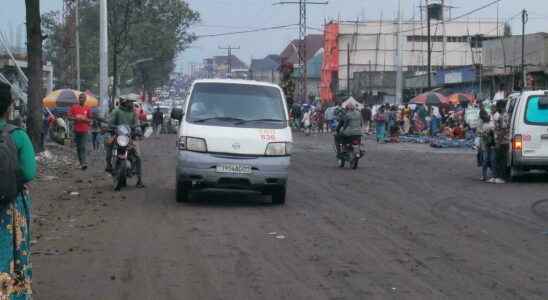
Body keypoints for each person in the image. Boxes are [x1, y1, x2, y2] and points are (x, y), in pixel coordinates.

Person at [0, 81, 36, 299]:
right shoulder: (18, 135)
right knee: (13, 254)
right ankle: (11, 295)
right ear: (8, 107)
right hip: (11, 206)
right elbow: (30, 172)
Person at [106, 97, 145, 188]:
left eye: (132, 102)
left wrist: (138, 130)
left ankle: (139, 180)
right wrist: (110, 127)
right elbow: (110, 122)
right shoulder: (116, 112)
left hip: (130, 137)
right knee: (108, 145)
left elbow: (137, 124)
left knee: (138, 156)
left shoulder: (134, 113)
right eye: (130, 102)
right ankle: (108, 164)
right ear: (124, 102)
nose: (131, 104)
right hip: (118, 135)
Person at [68, 93, 92, 170]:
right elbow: (69, 117)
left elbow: (90, 120)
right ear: (78, 99)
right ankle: (81, 162)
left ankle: (83, 163)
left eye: (83, 98)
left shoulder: (88, 108)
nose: (81, 99)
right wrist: (76, 118)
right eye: (80, 98)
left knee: (83, 146)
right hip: (76, 130)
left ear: (85, 99)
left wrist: (84, 119)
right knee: (79, 147)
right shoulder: (74, 107)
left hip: (84, 130)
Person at [493, 101, 510, 183]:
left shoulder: (503, 116)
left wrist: (498, 142)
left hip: (503, 141)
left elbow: (503, 130)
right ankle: (500, 177)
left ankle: (502, 178)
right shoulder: (504, 115)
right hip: (502, 140)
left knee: (502, 159)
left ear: (501, 107)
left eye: (497, 107)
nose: (496, 109)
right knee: (500, 159)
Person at [478, 109, 496, 182]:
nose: (483, 118)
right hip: (484, 143)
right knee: (485, 159)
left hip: (492, 142)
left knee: (492, 159)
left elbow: (496, 129)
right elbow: (478, 131)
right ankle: (484, 176)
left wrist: (491, 132)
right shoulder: (480, 121)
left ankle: (493, 176)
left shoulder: (492, 119)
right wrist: (483, 133)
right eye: (482, 118)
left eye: (483, 117)